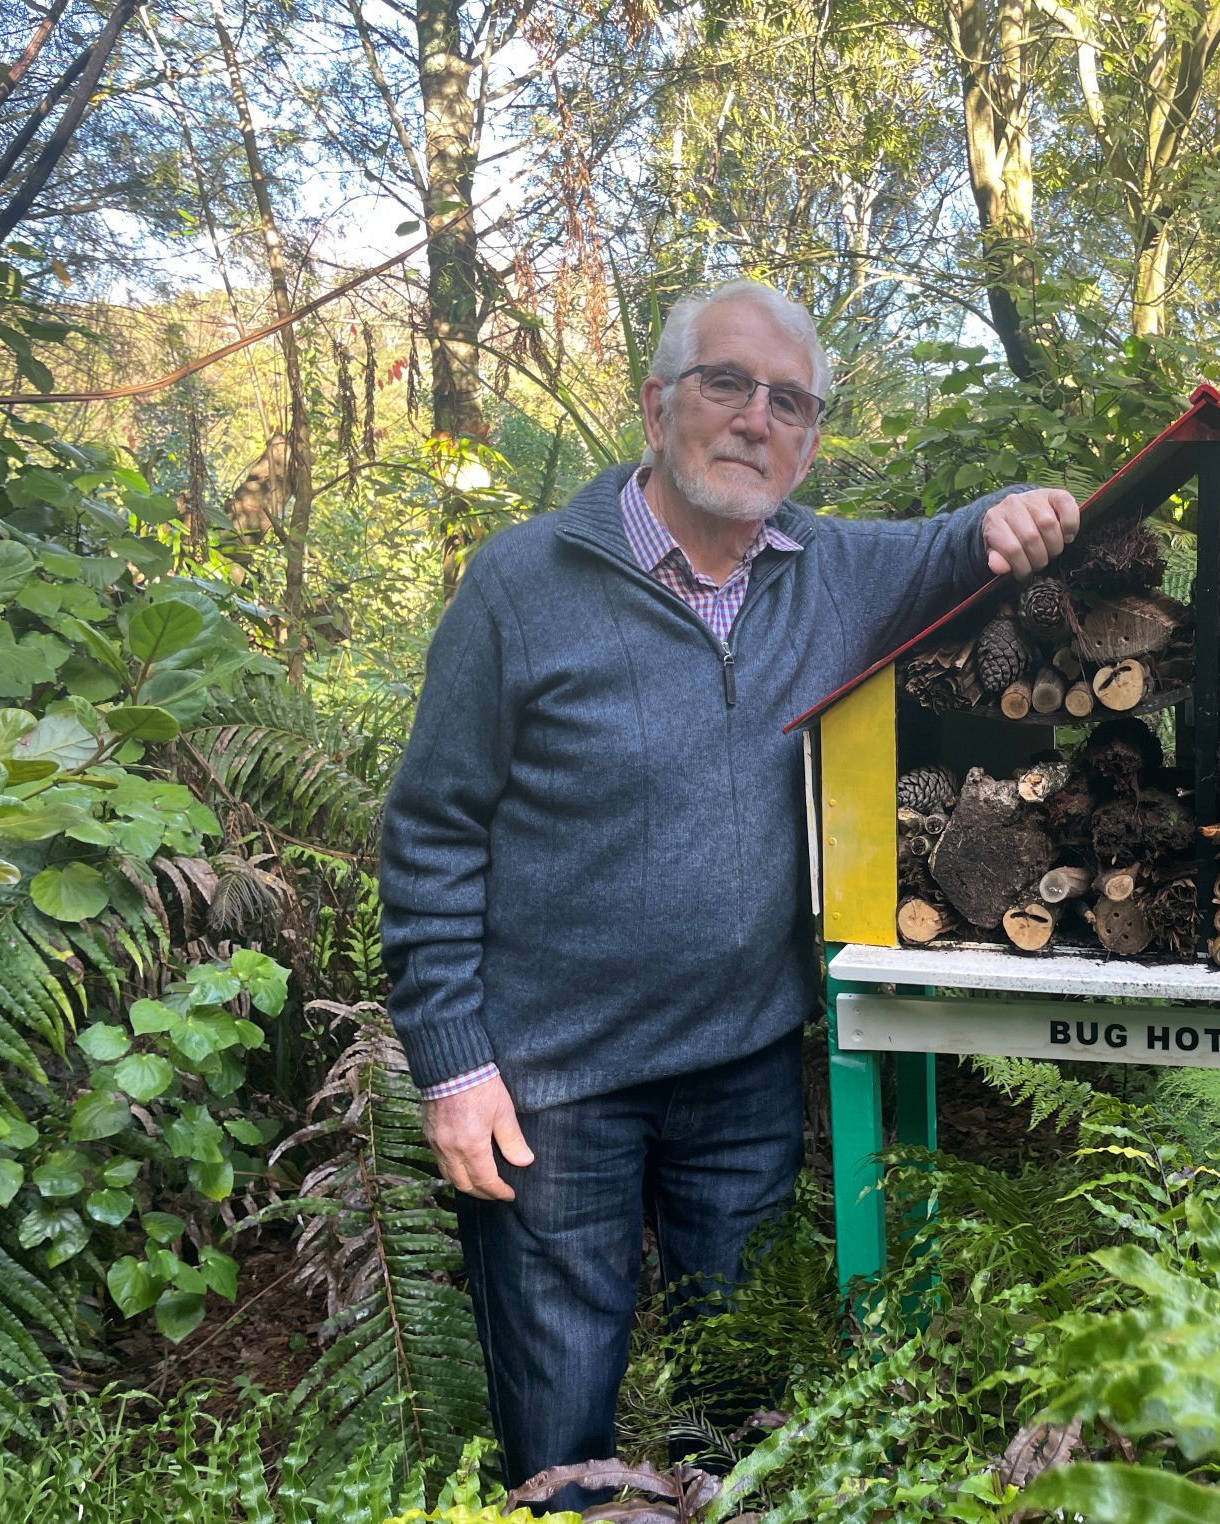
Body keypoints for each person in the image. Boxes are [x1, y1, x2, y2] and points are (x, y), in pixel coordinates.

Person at [378, 278, 1079, 1514]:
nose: (757, 418)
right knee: (559, 1445)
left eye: (790, 401)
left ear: (810, 439)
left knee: (734, 1418)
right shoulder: (520, 585)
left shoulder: (833, 570)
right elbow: (432, 835)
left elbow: (955, 540)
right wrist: (451, 1067)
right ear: (655, 405)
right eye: (726, 384)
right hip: (551, 1088)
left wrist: (1015, 510)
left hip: (743, 1074)